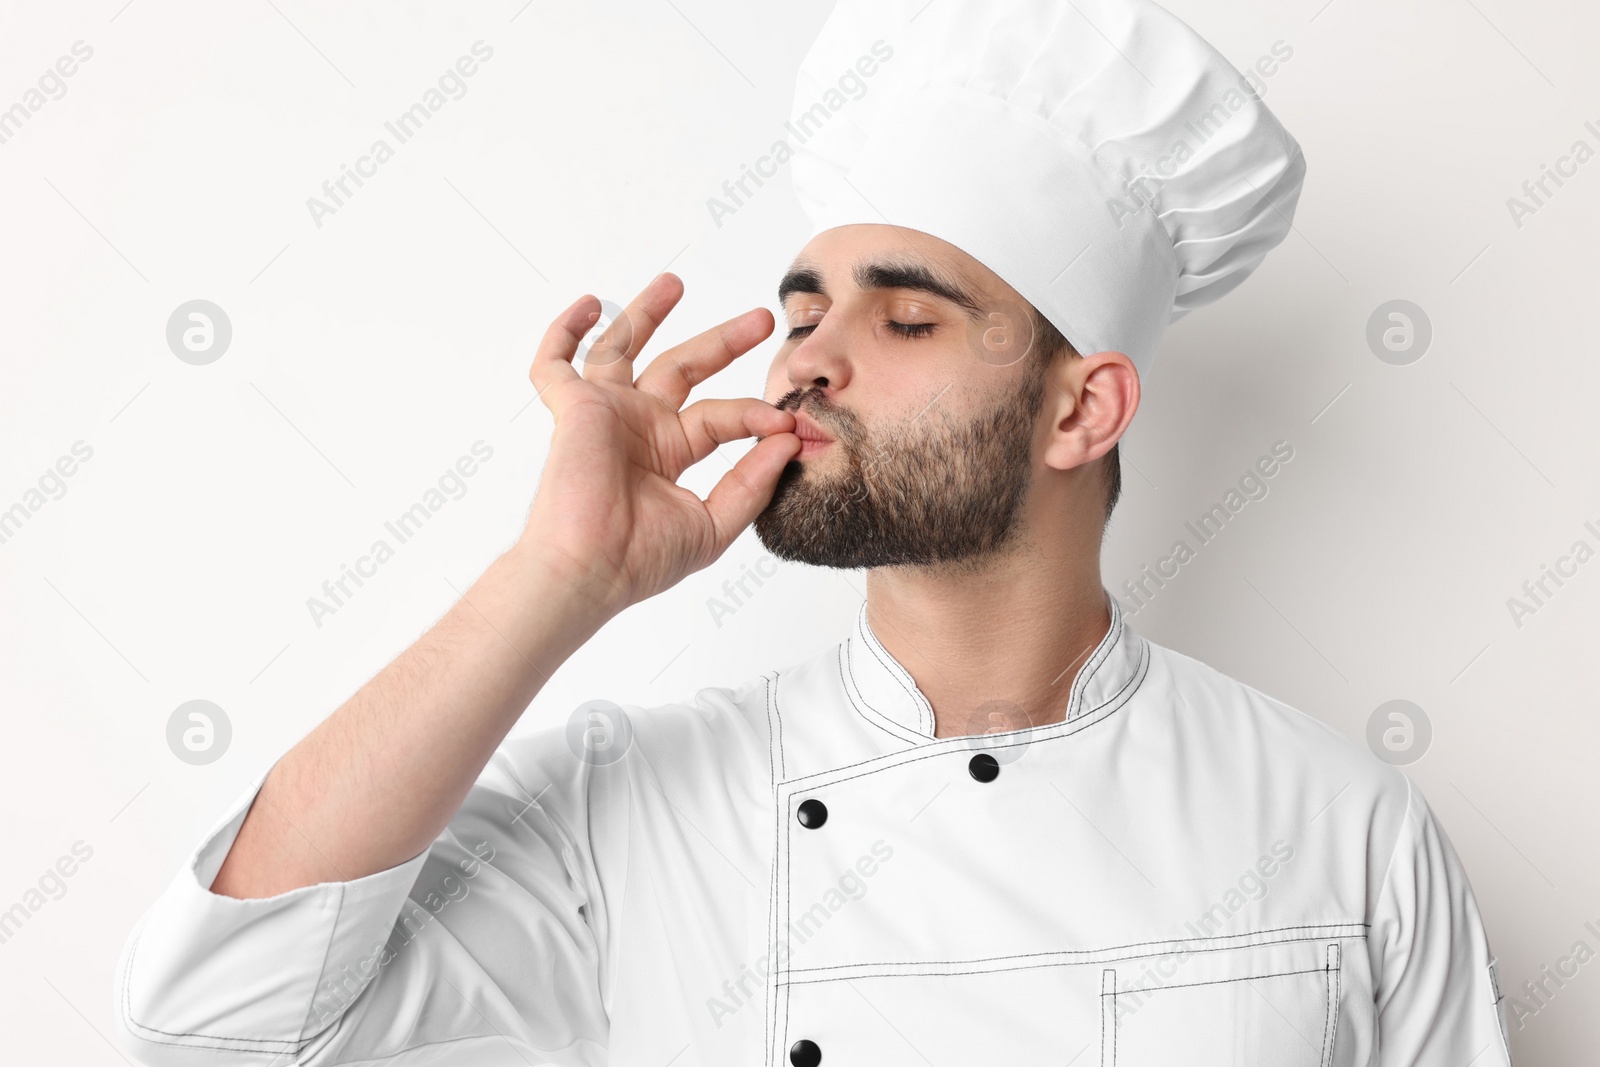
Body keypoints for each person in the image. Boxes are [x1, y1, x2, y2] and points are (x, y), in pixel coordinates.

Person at [115, 1, 1514, 1064]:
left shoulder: (1342, 826)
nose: (804, 364)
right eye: (798, 314)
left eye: (904, 319)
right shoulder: (641, 812)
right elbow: (212, 1023)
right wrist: (556, 579)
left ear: (1083, 410)